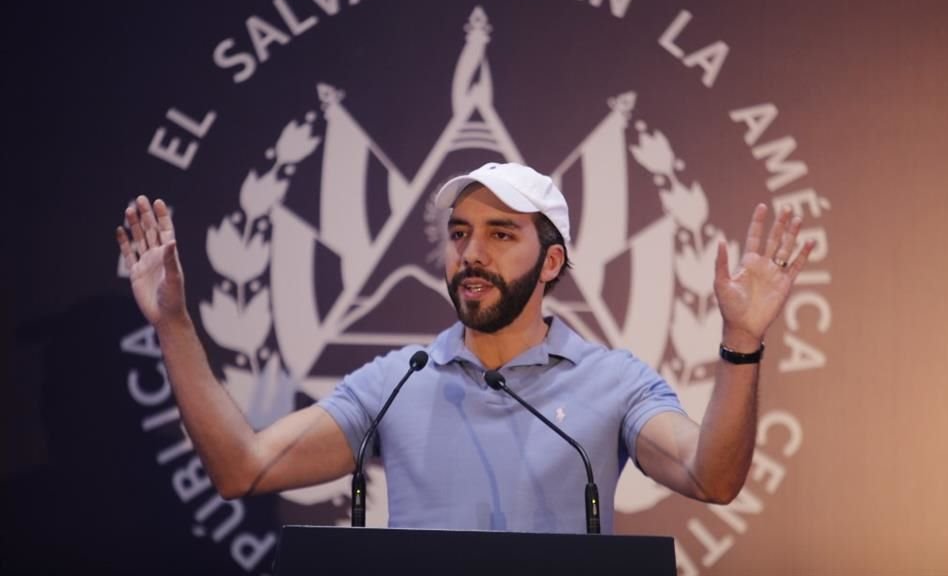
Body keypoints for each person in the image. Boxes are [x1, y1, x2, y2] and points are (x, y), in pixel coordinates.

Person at [116, 162, 813, 534]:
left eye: (501, 234)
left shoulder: (612, 383)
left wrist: (741, 343)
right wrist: (174, 323)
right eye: (458, 233)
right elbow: (244, 469)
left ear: (549, 263)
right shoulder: (397, 381)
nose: (469, 254)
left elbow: (712, 477)